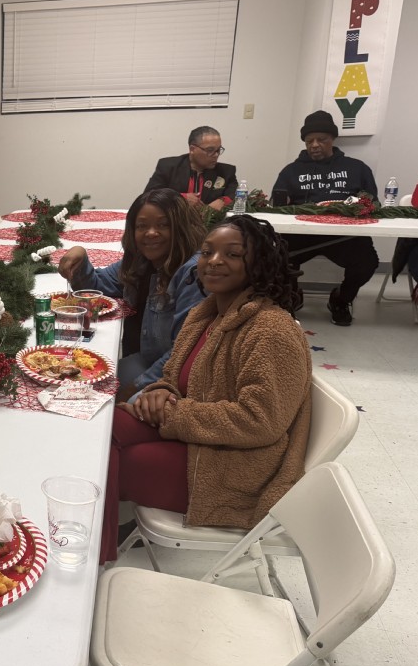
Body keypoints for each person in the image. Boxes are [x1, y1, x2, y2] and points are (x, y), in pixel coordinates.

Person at [102, 215, 312, 565]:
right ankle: (100, 540)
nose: (214, 261)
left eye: (232, 254)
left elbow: (260, 421)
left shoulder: (271, 330)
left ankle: (93, 561)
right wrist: (161, 390)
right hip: (197, 436)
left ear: (259, 263)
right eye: (207, 252)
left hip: (232, 469)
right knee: (98, 431)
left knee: (108, 464)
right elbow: (175, 374)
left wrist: (174, 412)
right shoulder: (207, 313)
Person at [57, 188, 206, 401]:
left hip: (175, 376)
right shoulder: (142, 260)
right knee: (79, 381)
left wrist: (136, 386)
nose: (151, 233)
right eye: (142, 226)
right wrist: (80, 255)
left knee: (96, 395)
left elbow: (184, 351)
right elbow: (99, 285)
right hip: (148, 358)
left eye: (163, 225)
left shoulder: (192, 274)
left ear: (180, 227)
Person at [272, 109, 379, 326]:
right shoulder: (290, 171)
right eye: (309, 141)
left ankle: (341, 299)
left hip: (343, 235)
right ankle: (292, 295)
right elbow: (277, 204)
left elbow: (373, 202)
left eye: (321, 139)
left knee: (367, 262)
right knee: (274, 257)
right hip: (301, 233)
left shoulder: (357, 168)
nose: (314, 145)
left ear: (333, 139)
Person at [144, 126, 238, 211]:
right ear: (192, 149)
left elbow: (236, 196)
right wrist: (180, 198)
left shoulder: (226, 172)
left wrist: (223, 201)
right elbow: (148, 196)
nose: (216, 155)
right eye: (210, 150)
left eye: (218, 150)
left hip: (211, 223)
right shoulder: (168, 167)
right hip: (175, 221)